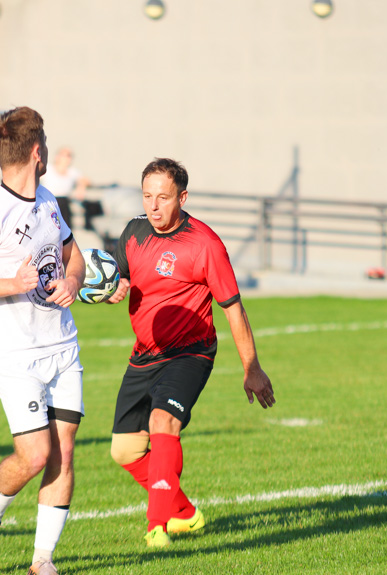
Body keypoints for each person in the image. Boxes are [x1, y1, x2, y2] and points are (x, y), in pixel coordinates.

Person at [106, 157, 276, 548]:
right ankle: (184, 514)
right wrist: (115, 289)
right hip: (144, 354)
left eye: (163, 197)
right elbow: (123, 276)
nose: (153, 206)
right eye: (147, 196)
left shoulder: (205, 244)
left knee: (163, 422)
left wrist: (252, 367)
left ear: (182, 197)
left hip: (190, 352)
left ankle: (156, 527)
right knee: (124, 450)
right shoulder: (133, 232)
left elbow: (233, 307)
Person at [0, 107, 85, 575]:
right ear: (36, 150)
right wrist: (12, 282)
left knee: (64, 453)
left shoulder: (48, 198)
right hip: (17, 355)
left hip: (63, 346)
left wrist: (72, 280)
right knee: (35, 455)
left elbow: (73, 254)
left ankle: (42, 561)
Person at [40, 146, 91, 231]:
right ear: (58, 157)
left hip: (64, 204)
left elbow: (86, 180)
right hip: (49, 202)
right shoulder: (48, 169)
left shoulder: (72, 172)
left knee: (65, 229)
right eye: (65, 155)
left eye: (69, 156)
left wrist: (81, 187)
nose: (67, 158)